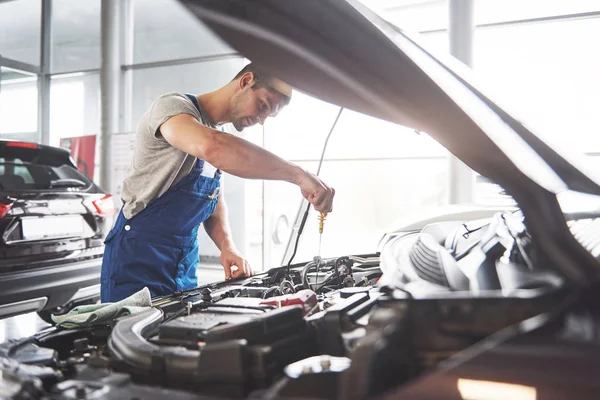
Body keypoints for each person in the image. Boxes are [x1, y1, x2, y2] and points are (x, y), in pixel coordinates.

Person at [100, 63, 335, 302]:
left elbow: (212, 202)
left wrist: (227, 246)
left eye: (269, 115)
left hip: (182, 265)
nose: (262, 119)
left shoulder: (217, 134)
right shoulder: (173, 108)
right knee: (127, 337)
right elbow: (212, 145)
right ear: (246, 81)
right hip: (136, 260)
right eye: (263, 106)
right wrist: (298, 175)